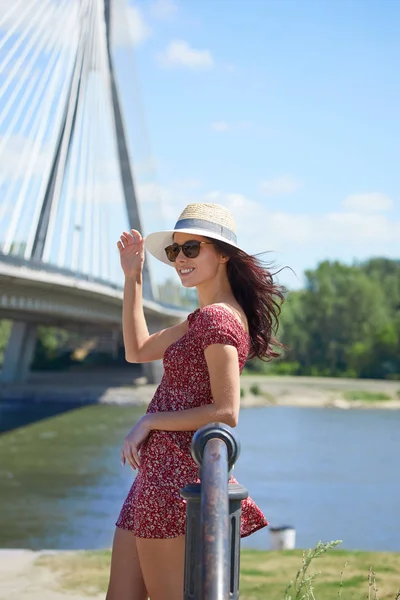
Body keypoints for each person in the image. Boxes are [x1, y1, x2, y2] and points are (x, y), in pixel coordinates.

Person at [106, 203, 285, 600]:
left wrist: (150, 419)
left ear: (223, 253)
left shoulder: (218, 320)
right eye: (174, 251)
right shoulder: (201, 318)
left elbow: (226, 412)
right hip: (154, 478)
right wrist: (132, 277)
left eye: (191, 248)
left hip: (174, 482)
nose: (180, 259)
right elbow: (136, 350)